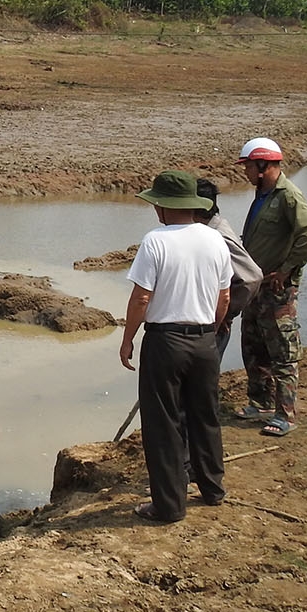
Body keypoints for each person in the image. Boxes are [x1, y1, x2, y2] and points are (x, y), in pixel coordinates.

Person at [119, 170, 232, 524]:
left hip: (165, 341)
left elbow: (141, 298)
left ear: (162, 207)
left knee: (163, 423)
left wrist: (127, 340)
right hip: (203, 339)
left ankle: (168, 506)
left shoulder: (155, 241)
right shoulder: (215, 239)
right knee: (205, 415)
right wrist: (208, 330)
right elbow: (224, 295)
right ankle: (213, 489)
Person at [236, 138, 307, 438]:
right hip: (256, 287)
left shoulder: (288, 196)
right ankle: (259, 402)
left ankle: (285, 414)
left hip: (277, 289)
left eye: (247, 166)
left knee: (283, 352)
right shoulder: (263, 194)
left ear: (263, 166)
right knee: (254, 346)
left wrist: (286, 270)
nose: (244, 172)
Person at [194, 177, 263, 356]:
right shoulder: (209, 229)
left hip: (214, 325)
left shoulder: (218, 236)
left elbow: (251, 277)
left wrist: (226, 313)